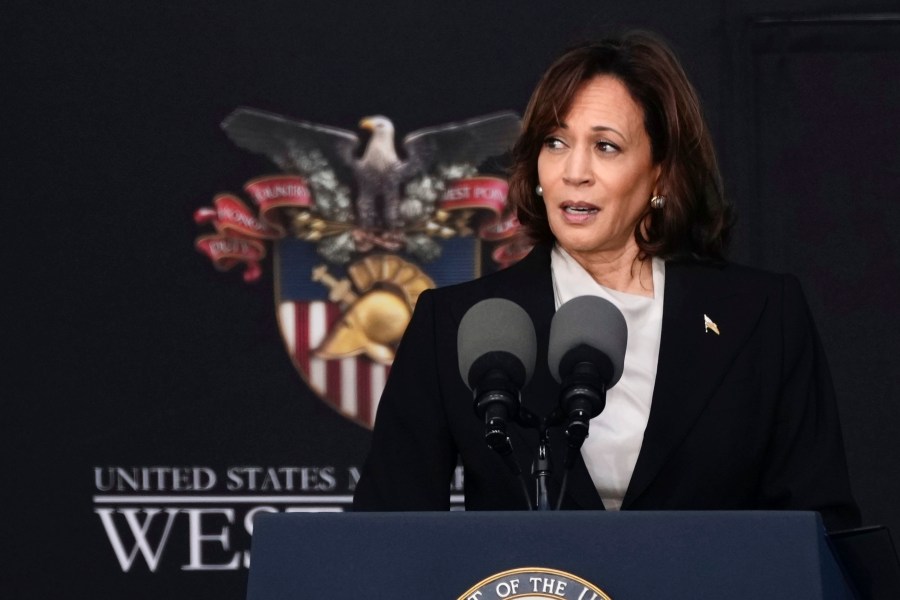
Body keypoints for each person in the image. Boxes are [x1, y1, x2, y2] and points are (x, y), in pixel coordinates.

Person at [352, 31, 860, 530]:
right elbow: (385, 533)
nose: (574, 171)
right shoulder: (456, 324)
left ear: (661, 172)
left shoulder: (764, 315)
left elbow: (820, 530)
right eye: (556, 143)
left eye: (606, 147)